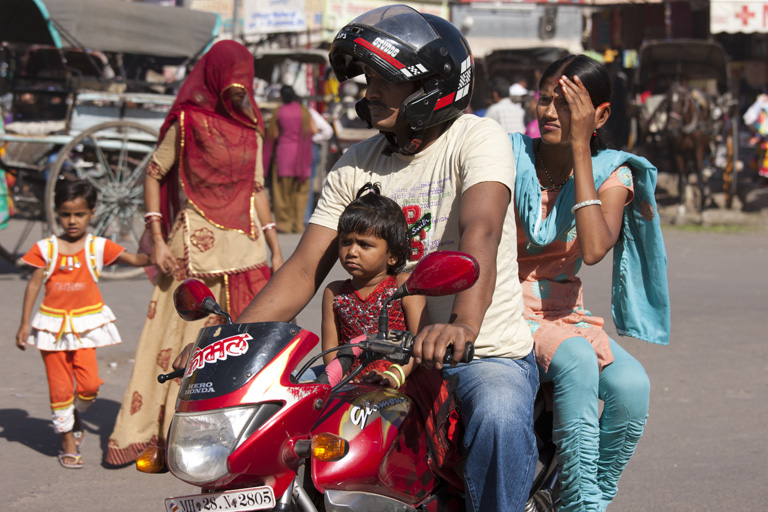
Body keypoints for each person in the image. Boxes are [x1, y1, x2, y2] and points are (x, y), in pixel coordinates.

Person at [176, 6, 538, 510]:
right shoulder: (353, 164)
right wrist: (229, 347)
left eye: (385, 79)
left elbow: (481, 228)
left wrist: (462, 327)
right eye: (367, 78)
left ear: (432, 86)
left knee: (498, 413)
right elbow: (304, 268)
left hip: (480, 349)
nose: (369, 90)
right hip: (371, 364)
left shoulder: (476, 139)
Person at [105, 40, 283, 466]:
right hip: (191, 255)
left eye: (246, 80)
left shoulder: (252, 129)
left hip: (246, 252)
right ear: (216, 75)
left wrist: (276, 250)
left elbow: (257, 192)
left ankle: (232, 438)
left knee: (243, 345)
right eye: (233, 79)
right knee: (178, 347)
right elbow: (153, 173)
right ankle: (167, 435)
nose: (240, 88)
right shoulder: (187, 122)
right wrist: (159, 238)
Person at [511, 54, 670, 511]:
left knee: (632, 387)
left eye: (566, 105)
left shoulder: (611, 171)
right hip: (505, 304)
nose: (549, 112)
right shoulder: (510, 154)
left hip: (564, 311)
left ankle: (583, 499)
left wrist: (581, 150)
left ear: (598, 115)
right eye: (544, 100)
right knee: (578, 357)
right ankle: (581, 506)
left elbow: (596, 248)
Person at [15, 179, 150, 469]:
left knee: (88, 386)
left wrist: (161, 250)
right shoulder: (46, 249)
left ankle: (75, 416)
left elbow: (137, 259)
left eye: (79, 214)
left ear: (92, 213)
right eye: (66, 214)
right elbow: (33, 286)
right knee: (60, 388)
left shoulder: (98, 246)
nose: (72, 220)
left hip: (85, 329)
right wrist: (25, 324)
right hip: (51, 329)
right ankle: (67, 439)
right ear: (58, 213)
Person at [321, 183, 427, 387]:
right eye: (346, 242)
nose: (351, 251)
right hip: (350, 383)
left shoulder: (404, 285)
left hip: (401, 382)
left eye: (364, 245)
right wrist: (341, 383)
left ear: (393, 255)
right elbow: (331, 350)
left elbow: (418, 343)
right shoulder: (334, 292)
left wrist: (393, 376)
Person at [264, 84, 317, 233]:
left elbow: (273, 134)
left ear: (282, 96)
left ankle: (285, 224)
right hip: (302, 156)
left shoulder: (279, 112)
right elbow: (314, 130)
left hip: (284, 155)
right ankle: (298, 224)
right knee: (300, 191)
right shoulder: (304, 111)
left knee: (282, 192)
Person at [304, 105, 334, 226]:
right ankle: (304, 218)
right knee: (307, 183)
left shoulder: (308, 111)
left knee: (306, 183)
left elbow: (327, 131)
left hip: (304, 148)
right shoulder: (308, 111)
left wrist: (312, 139)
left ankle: (304, 218)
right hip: (306, 148)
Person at [742, 92, 768, 183]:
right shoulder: (763, 100)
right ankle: (762, 177)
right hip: (764, 134)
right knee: (762, 156)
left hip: (763, 134)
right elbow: (749, 117)